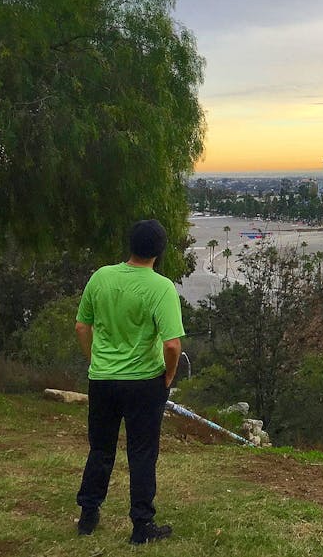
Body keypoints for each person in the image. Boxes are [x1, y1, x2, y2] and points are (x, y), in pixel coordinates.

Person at [74, 219, 185, 544]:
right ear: (160, 251)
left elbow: (82, 327)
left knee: (101, 449)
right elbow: (171, 344)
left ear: (130, 245)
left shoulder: (101, 277)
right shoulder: (160, 287)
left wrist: (95, 360)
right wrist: (170, 373)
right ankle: (141, 525)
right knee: (141, 453)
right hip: (144, 383)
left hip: (103, 380)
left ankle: (87, 515)